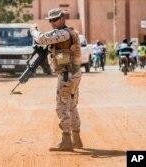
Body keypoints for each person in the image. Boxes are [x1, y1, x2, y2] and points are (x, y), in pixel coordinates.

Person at [30, 8, 82, 151]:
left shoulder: (64, 34)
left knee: (62, 106)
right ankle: (77, 138)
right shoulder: (71, 32)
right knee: (71, 105)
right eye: (50, 20)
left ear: (62, 18)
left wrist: (33, 30)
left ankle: (66, 140)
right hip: (74, 73)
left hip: (67, 75)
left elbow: (41, 39)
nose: (52, 22)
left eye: (55, 19)